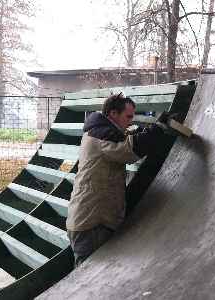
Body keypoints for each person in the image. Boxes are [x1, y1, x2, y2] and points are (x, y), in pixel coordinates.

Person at [66, 93, 165, 266]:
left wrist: (145, 131)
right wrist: (157, 130)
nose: (130, 121)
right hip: (93, 223)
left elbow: (127, 137)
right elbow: (129, 149)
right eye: (128, 116)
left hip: (88, 219)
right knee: (90, 279)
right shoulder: (102, 136)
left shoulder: (98, 131)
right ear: (113, 114)